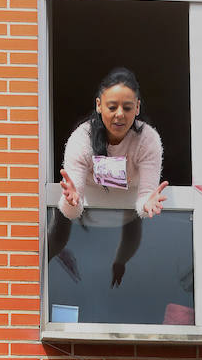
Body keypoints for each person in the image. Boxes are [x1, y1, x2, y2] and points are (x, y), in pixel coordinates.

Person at [49, 68, 168, 290]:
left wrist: (146, 205)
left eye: (128, 107)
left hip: (126, 206)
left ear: (138, 108)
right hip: (85, 208)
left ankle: (120, 261)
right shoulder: (81, 139)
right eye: (112, 107)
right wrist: (72, 200)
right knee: (58, 237)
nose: (119, 114)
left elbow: (143, 202)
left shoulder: (148, 140)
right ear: (98, 105)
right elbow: (72, 209)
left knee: (132, 228)